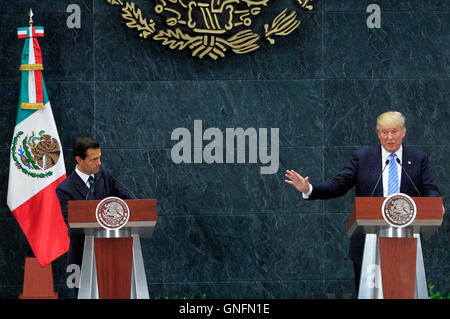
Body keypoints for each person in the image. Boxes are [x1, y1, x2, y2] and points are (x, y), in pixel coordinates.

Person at [285, 111, 440, 294]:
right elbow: (338, 186)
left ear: (404, 132)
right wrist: (309, 189)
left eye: (395, 132)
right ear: (378, 133)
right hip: (368, 241)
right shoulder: (362, 158)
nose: (389, 137)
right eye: (384, 132)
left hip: (404, 242)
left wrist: (434, 205)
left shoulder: (417, 158)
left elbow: (429, 188)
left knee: (402, 294)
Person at [56, 137, 136, 296]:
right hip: (81, 254)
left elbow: (131, 200)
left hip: (113, 250)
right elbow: (71, 223)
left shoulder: (107, 176)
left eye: (99, 157)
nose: (99, 163)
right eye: (94, 159)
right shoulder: (65, 188)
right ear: (79, 160)